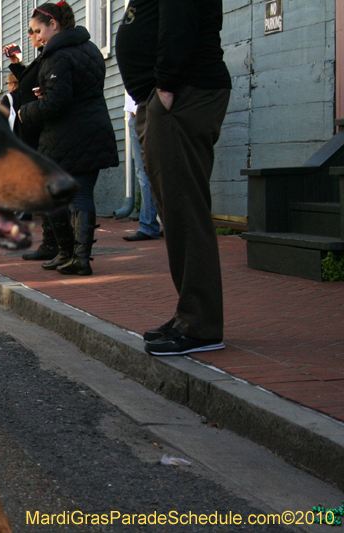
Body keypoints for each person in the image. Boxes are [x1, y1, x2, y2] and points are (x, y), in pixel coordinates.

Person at [116, 0, 231, 355]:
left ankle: (200, 324)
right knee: (177, 211)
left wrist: (164, 87)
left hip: (180, 94)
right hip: (172, 95)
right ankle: (189, 316)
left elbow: (180, 19)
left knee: (184, 210)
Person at [17, 1, 119, 276]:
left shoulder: (57, 55)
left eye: (39, 30)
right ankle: (77, 257)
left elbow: (58, 103)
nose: (37, 37)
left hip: (68, 135)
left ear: (54, 25)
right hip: (94, 129)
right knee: (81, 195)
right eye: (33, 32)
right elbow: (81, 90)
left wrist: (26, 111)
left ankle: (71, 255)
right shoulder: (90, 49)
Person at [4, 29, 51, 260]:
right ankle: (52, 245)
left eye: (35, 30)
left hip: (36, 136)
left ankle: (58, 246)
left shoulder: (53, 56)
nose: (32, 35)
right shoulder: (44, 58)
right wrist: (17, 63)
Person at [123, 92, 161, 241]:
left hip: (146, 113)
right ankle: (154, 224)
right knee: (148, 173)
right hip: (137, 114)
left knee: (147, 173)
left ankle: (150, 226)